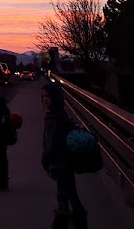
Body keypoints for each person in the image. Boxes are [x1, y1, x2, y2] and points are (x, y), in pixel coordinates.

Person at [41, 80, 88, 228]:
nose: (44, 99)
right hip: (65, 163)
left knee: (63, 196)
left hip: (61, 164)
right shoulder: (58, 115)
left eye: (48, 96)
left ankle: (64, 223)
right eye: (43, 96)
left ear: (55, 97)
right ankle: (80, 222)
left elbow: (53, 144)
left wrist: (45, 161)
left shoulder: (56, 118)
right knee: (70, 194)